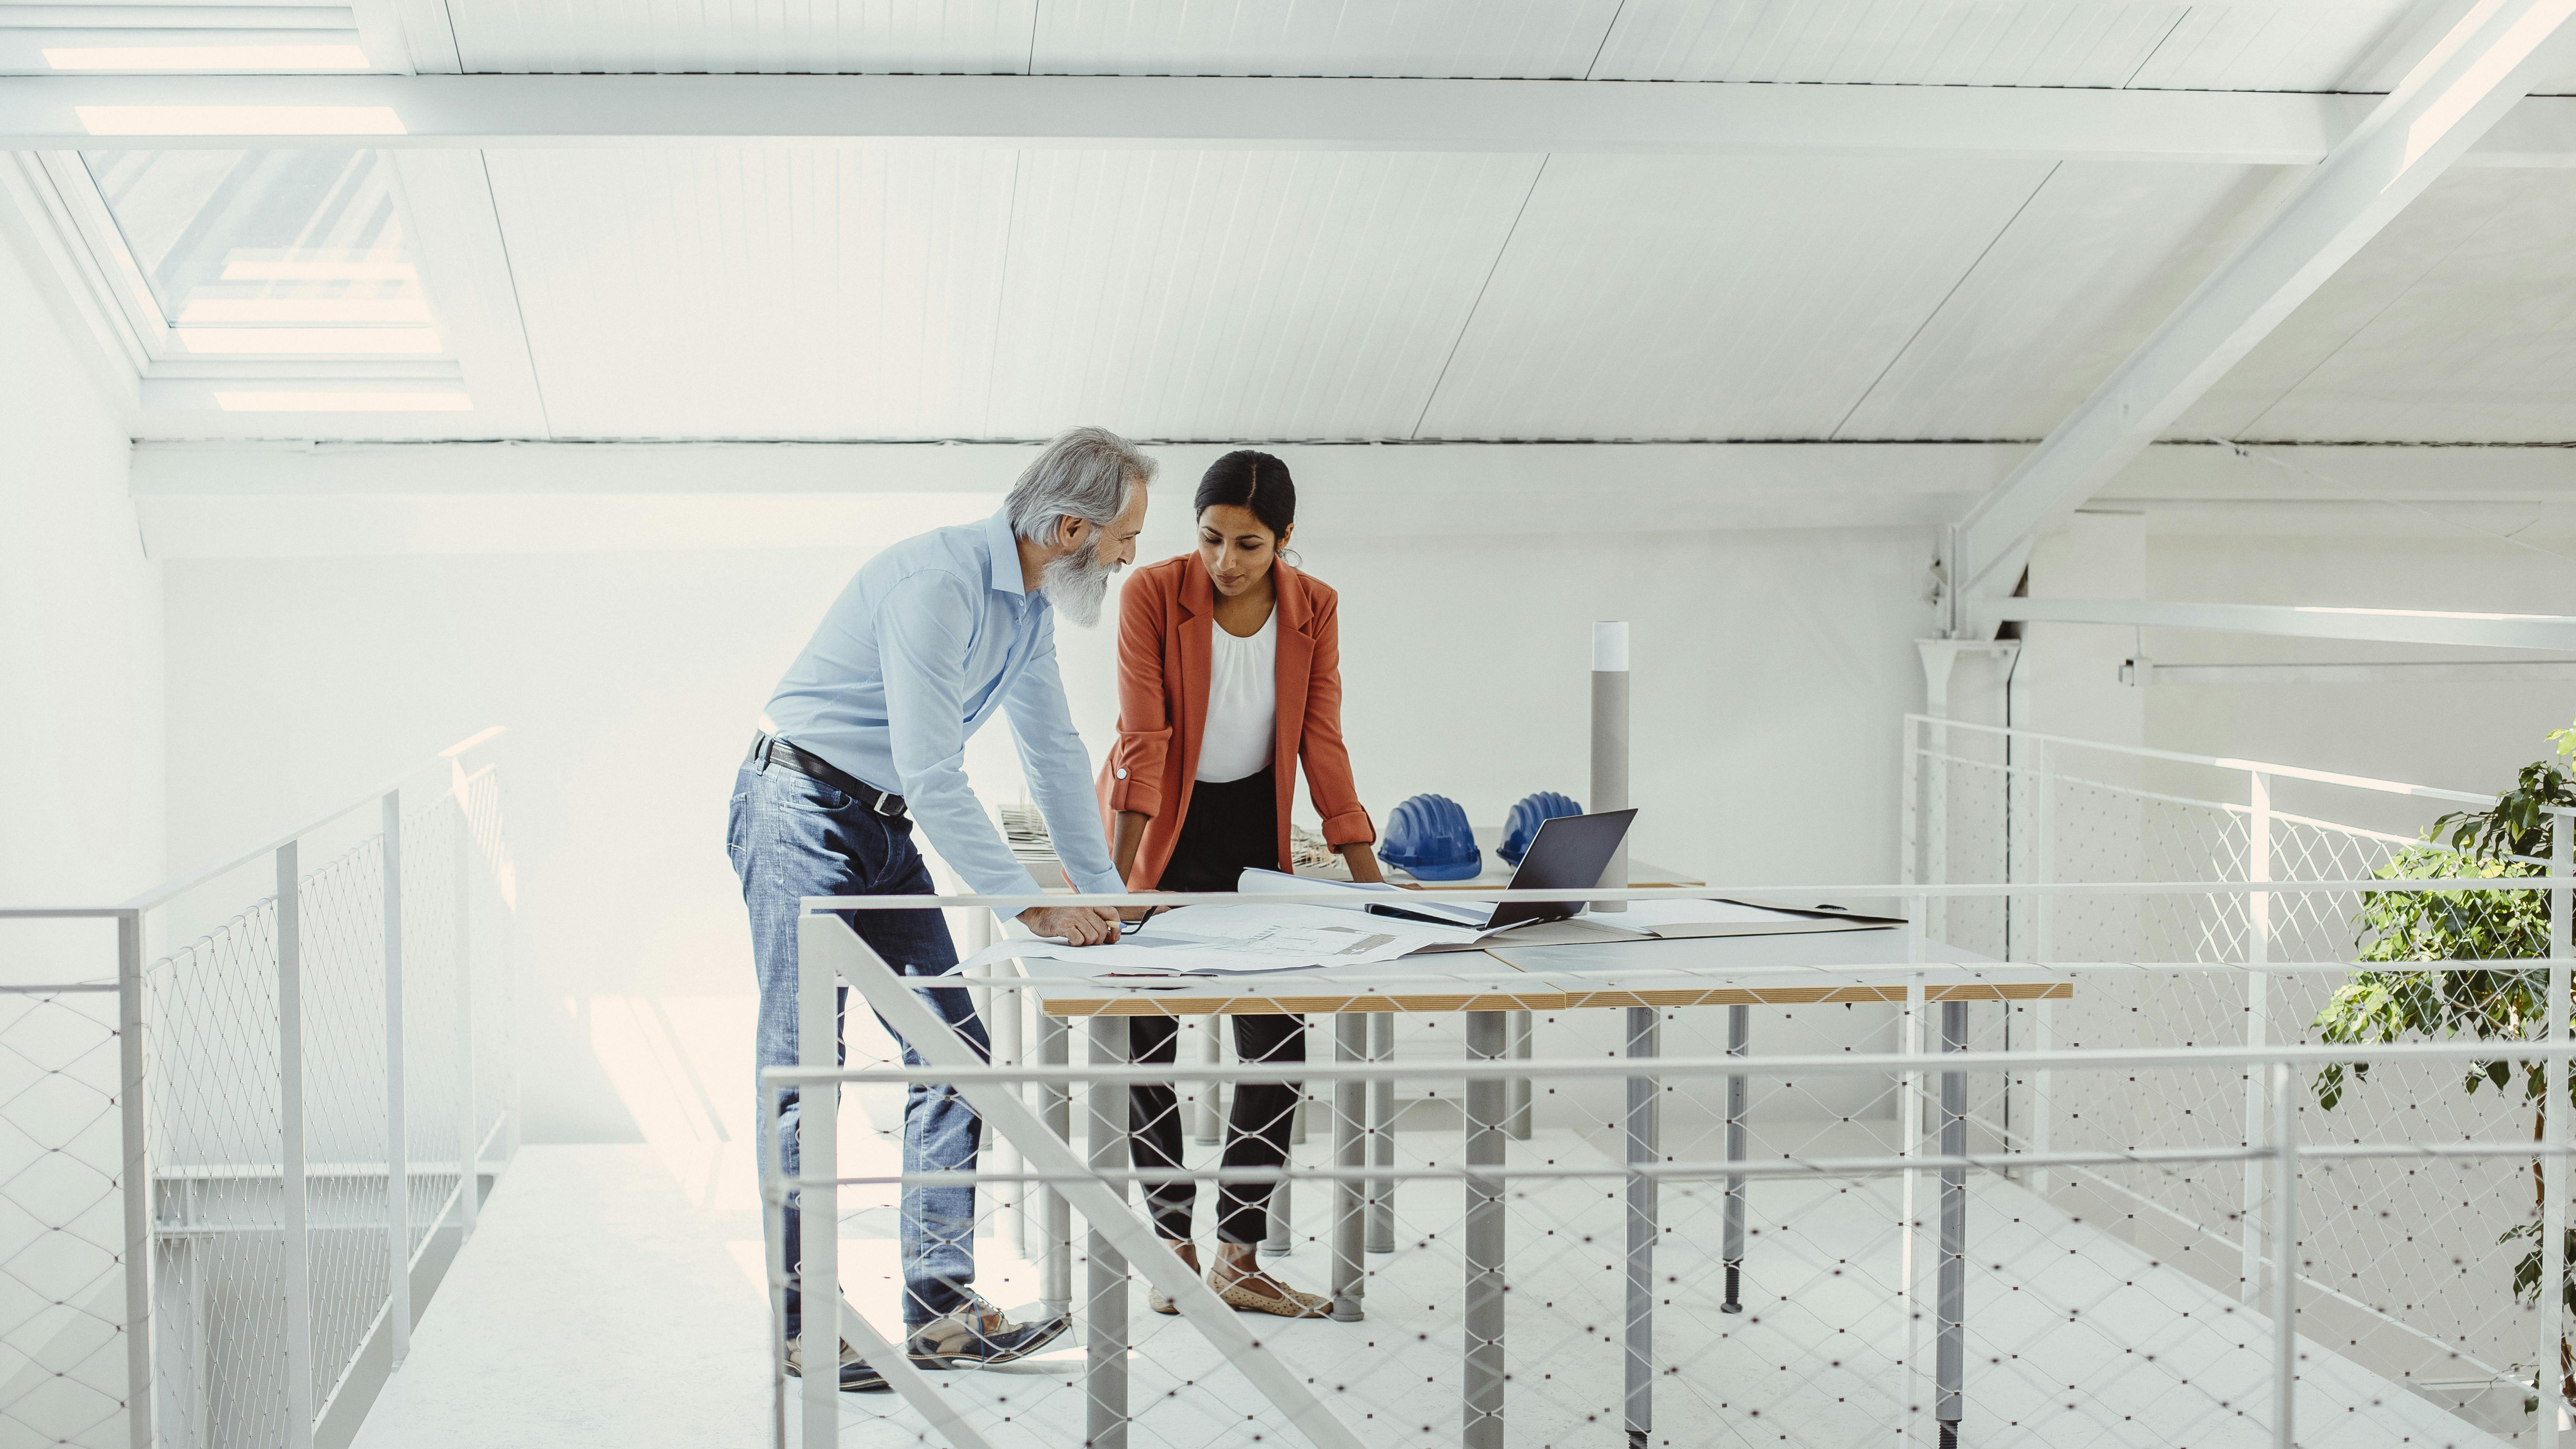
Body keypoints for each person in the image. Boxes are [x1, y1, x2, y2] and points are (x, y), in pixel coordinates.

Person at [731, 426, 1152, 1392]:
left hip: (878, 820)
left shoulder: (1028, 607)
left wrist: (1105, 895)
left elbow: (1053, 751)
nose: (1128, 556)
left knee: (954, 1052)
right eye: (1124, 536)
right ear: (1070, 527)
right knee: (805, 1064)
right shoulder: (938, 585)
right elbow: (933, 769)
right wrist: (1031, 908)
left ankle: (942, 1314)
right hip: (798, 805)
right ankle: (804, 1326)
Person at [1098, 449, 1381, 1318]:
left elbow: (1322, 742)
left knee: (1277, 1049)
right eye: (1211, 538)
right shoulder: (1153, 593)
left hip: (1257, 837)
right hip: (1161, 830)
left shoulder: (1315, 606)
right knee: (1148, 1048)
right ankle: (1171, 1250)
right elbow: (1144, 741)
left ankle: (1238, 1255)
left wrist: (1375, 882)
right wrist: (1119, 886)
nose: (1226, 560)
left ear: (1285, 538)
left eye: (1249, 544)